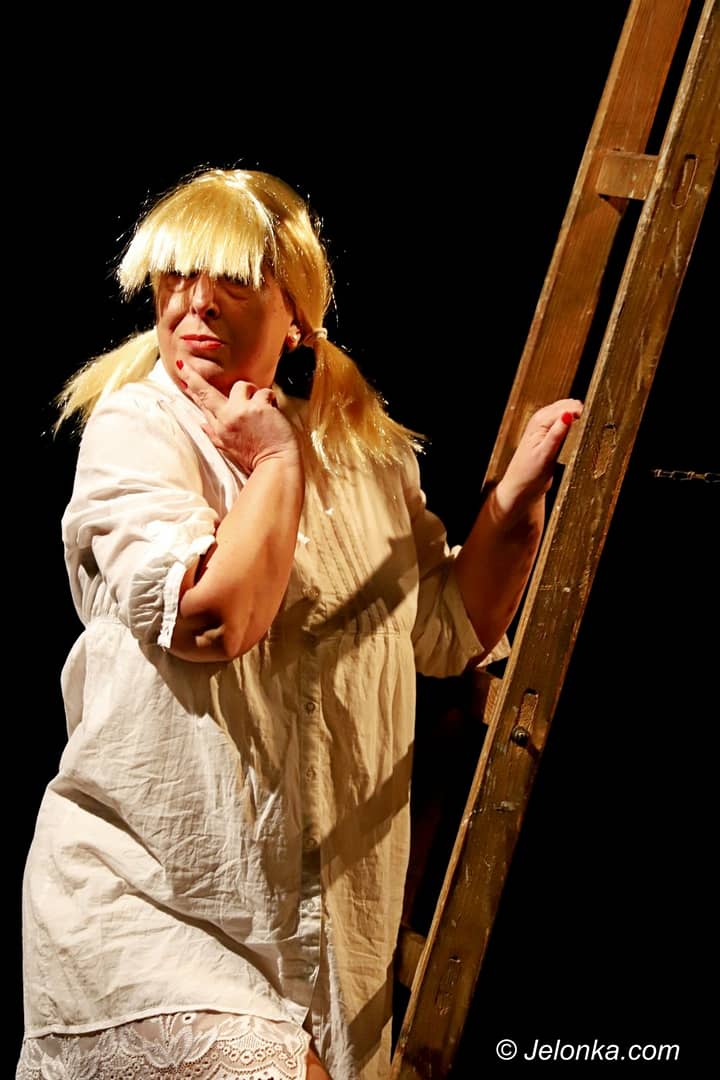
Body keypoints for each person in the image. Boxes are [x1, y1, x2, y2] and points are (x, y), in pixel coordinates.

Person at [18, 166, 582, 1080]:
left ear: (296, 312)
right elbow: (213, 620)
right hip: (152, 905)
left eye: (232, 279)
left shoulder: (367, 452)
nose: (195, 303)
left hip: (320, 942)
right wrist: (275, 465)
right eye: (175, 277)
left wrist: (513, 506)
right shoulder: (140, 428)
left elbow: (444, 627)